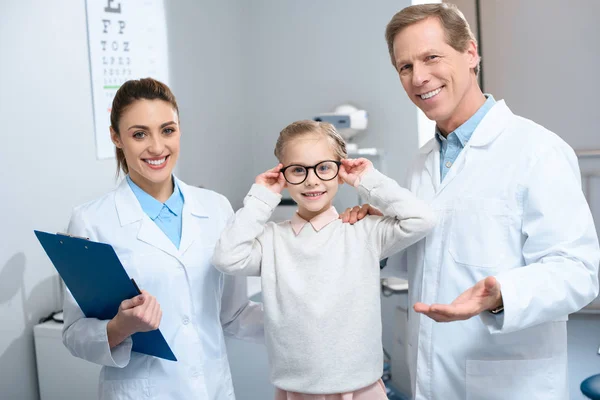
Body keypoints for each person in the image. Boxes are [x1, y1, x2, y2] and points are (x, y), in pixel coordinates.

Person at [342, 3, 600, 399]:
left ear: (471, 54)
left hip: (509, 383)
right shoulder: (421, 161)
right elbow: (434, 255)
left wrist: (502, 295)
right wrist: (383, 233)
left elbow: (579, 271)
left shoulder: (537, 150)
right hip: (431, 377)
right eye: (405, 67)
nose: (419, 77)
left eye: (431, 57)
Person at [62, 78, 264, 400]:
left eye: (167, 130)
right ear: (116, 137)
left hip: (213, 388)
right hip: (142, 391)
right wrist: (120, 327)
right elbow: (74, 334)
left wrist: (300, 318)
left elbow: (233, 314)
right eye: (139, 134)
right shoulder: (91, 221)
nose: (157, 147)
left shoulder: (216, 207)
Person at [211, 120, 435, 399]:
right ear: (282, 175)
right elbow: (226, 257)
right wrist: (261, 197)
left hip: (361, 389)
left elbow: (422, 220)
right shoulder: (271, 241)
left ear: (341, 172)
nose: (311, 180)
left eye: (324, 167)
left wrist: (367, 180)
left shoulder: (362, 231)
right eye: (297, 170)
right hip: (296, 390)